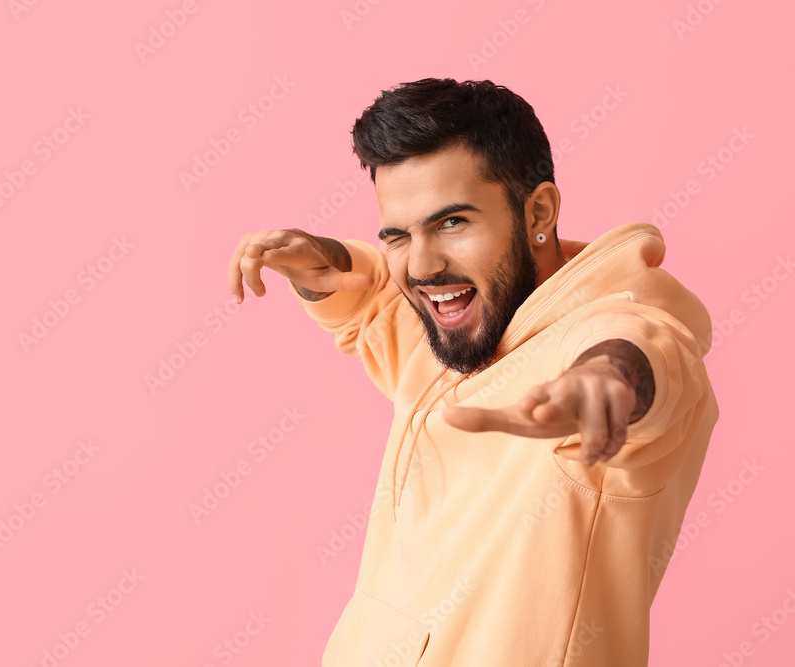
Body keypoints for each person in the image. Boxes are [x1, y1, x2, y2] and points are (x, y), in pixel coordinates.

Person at [225, 78, 718, 666]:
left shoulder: (611, 331)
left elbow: (645, 354)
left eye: (452, 223)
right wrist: (321, 262)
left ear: (538, 211)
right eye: (398, 236)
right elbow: (372, 308)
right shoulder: (462, 331)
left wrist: (602, 388)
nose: (424, 264)